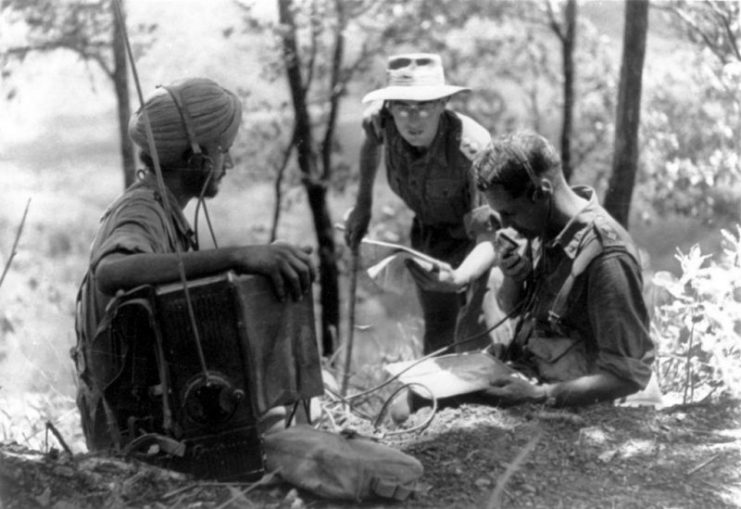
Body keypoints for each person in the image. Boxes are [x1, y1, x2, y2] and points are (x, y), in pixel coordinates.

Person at [72, 77, 315, 451]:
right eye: (223, 150)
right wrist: (239, 254)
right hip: (135, 438)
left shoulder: (163, 209)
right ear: (196, 156)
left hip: (155, 421)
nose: (228, 162)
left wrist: (260, 260)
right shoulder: (142, 209)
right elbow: (112, 270)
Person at [425, 130, 655, 407]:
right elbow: (525, 313)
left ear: (542, 192)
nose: (507, 225)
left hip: (567, 399)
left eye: (510, 213)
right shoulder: (544, 229)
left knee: (419, 404)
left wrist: (539, 395)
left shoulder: (606, 258)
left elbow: (627, 377)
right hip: (530, 372)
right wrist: (514, 279)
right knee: (419, 392)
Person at [344, 52, 503, 355]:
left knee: (480, 333)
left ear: (443, 104)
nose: (413, 118)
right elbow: (371, 142)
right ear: (389, 108)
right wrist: (363, 204)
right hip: (431, 235)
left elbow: (489, 240)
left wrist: (459, 277)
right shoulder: (383, 122)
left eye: (424, 106)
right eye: (403, 107)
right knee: (439, 335)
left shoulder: (470, 150)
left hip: (482, 246)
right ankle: (439, 401)